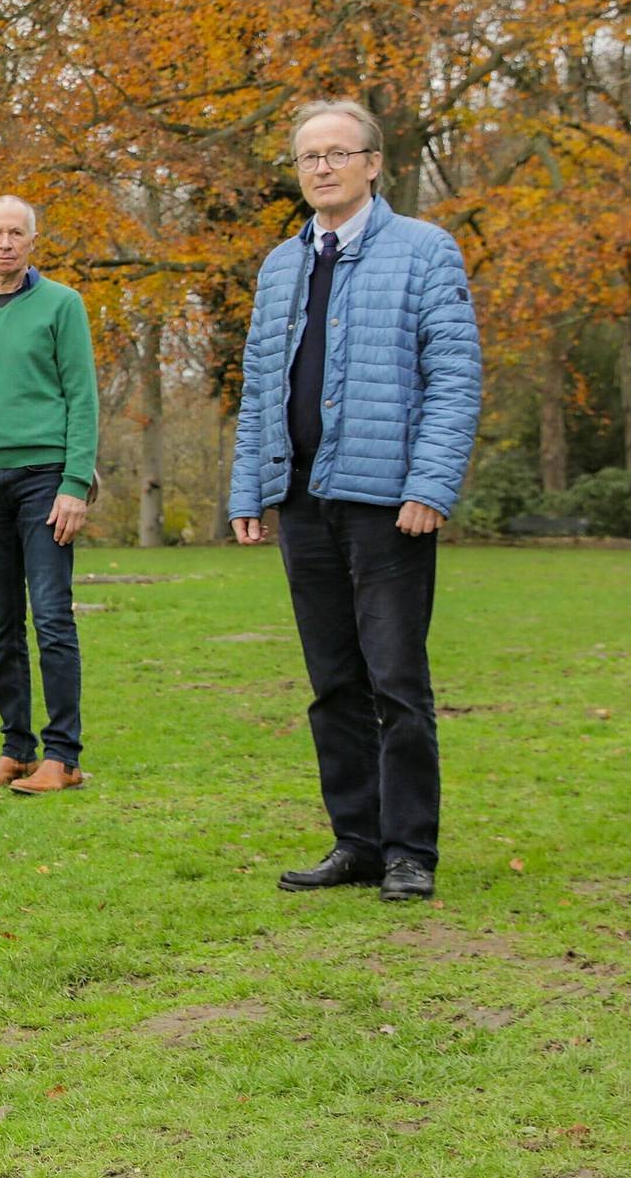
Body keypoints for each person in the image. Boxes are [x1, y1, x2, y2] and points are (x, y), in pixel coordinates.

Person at [231, 100, 481, 904]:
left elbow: (455, 379)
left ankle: (410, 850)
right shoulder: (281, 265)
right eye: (310, 156)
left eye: (339, 153)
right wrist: (249, 488)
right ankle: (358, 842)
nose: (323, 167)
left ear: (374, 163)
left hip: (390, 505)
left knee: (397, 681)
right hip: (302, 500)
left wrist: (430, 485)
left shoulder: (425, 252)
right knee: (333, 681)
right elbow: (260, 387)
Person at [0, 195, 99, 796]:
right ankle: (17, 751)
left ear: (33, 241)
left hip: (45, 480)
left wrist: (75, 484)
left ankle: (64, 756)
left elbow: (82, 397)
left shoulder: (62, 305)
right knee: (1, 623)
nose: (5, 243)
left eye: (16, 233)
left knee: (52, 616)